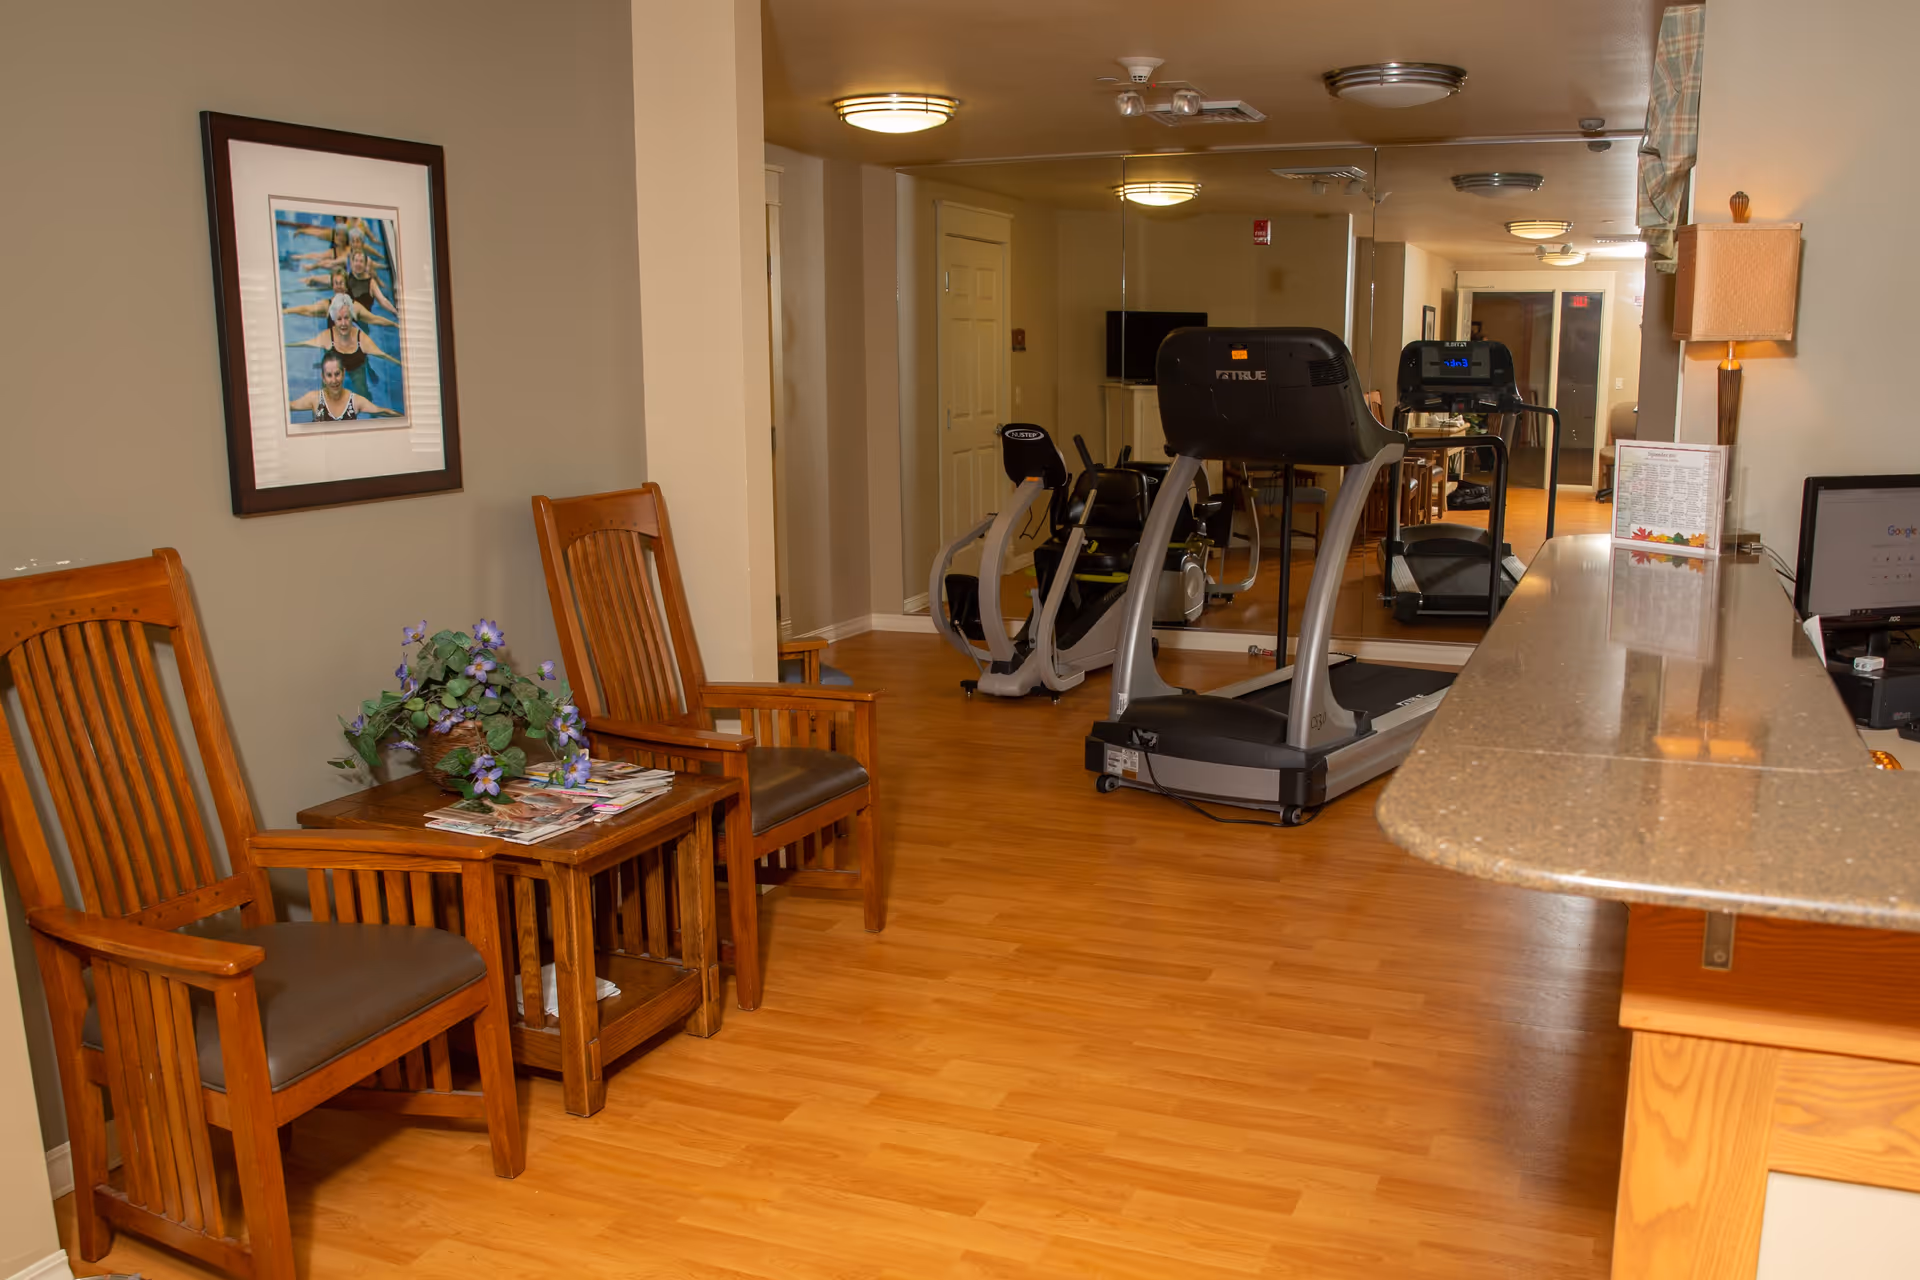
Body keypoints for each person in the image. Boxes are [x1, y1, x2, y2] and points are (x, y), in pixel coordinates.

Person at [287, 293, 401, 396]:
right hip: (334, 365)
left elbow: (384, 356)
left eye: (346, 318)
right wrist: (284, 346)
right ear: (334, 320)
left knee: (363, 393)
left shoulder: (361, 339)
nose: (343, 324)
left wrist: (403, 364)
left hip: (355, 365)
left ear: (352, 317)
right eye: (339, 319)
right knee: (324, 395)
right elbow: (303, 344)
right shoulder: (327, 337)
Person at [288, 349, 401, 423]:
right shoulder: (314, 399)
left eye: (337, 374)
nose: (334, 380)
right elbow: (289, 407)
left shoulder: (355, 401)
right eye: (329, 375)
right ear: (323, 377)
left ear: (343, 373)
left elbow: (383, 411)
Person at [285, 269, 393, 326]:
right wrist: (286, 311)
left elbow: (374, 319)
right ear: (332, 286)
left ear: (346, 286)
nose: (338, 287)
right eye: (336, 284)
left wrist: (394, 324)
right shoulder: (327, 305)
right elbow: (306, 309)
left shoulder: (355, 307)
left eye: (341, 283)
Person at [342, 245, 399, 317]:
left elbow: (382, 301)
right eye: (356, 261)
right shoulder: (347, 276)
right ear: (352, 263)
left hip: (362, 318)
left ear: (365, 265)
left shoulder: (371, 283)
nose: (358, 264)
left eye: (361, 261)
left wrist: (396, 312)